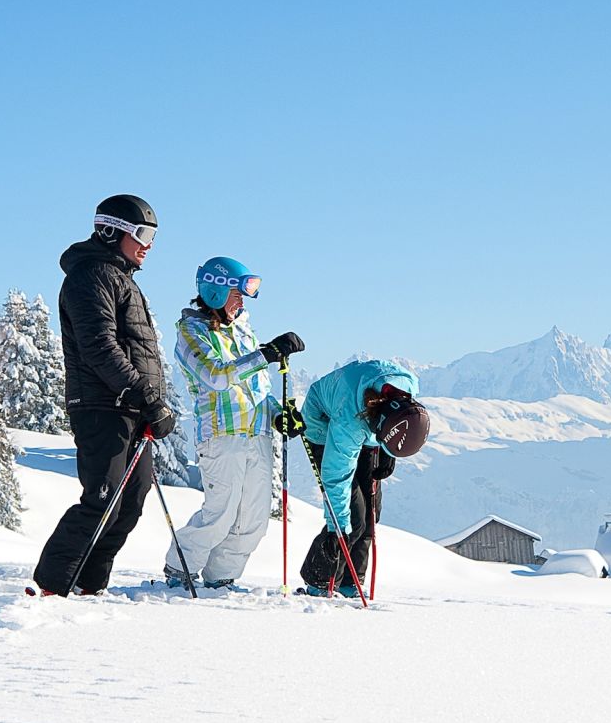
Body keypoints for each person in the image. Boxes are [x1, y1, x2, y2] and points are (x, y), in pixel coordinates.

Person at [33, 194, 177, 596]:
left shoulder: (121, 278)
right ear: (111, 231)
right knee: (101, 498)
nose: (149, 244)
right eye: (143, 233)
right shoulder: (90, 275)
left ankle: (89, 586)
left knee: (129, 504)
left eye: (154, 236)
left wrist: (148, 401)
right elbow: (99, 345)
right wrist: (144, 394)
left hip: (130, 407)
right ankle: (52, 585)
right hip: (101, 405)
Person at [161, 256, 305, 590]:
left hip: (257, 436)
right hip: (221, 436)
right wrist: (265, 355)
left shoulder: (242, 330)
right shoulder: (191, 331)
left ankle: (219, 579)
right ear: (214, 291)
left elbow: (257, 387)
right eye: (237, 292)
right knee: (220, 514)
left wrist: (278, 414)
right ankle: (179, 569)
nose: (242, 300)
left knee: (254, 520)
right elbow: (217, 376)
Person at [279, 358, 431, 597]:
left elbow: (400, 423)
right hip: (325, 425)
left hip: (370, 428)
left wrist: (387, 452)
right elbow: (336, 477)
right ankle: (320, 582)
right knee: (351, 519)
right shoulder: (350, 418)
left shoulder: (406, 389)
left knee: (371, 513)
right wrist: (334, 526)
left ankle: (351, 582)